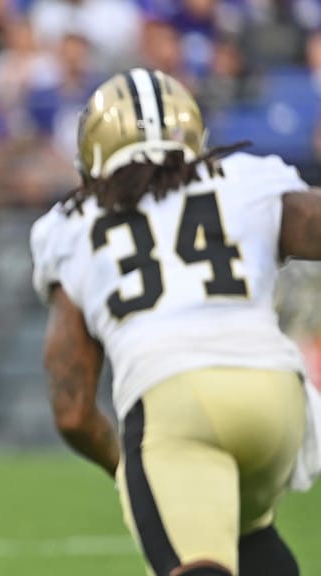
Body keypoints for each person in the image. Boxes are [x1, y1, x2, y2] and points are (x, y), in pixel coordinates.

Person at [30, 67, 321, 576]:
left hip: (173, 397)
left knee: (196, 561)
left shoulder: (70, 224)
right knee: (251, 544)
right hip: (278, 397)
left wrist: (125, 466)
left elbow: (72, 410)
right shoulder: (246, 179)